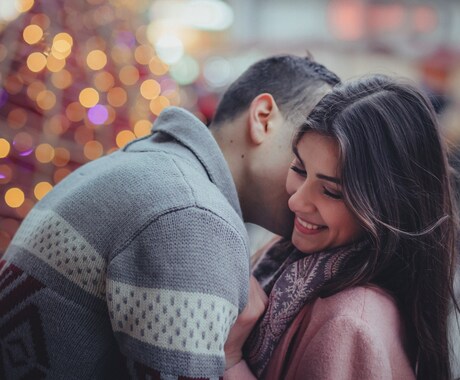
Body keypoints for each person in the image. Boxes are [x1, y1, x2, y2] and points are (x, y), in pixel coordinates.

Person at [0, 55, 340, 379]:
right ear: (263, 117)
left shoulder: (153, 166)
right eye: (304, 157)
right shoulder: (193, 216)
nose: (317, 182)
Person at [224, 74, 459, 380]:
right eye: (299, 169)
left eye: (331, 191)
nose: (296, 202)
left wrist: (230, 359)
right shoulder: (295, 257)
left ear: (388, 204)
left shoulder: (350, 322)